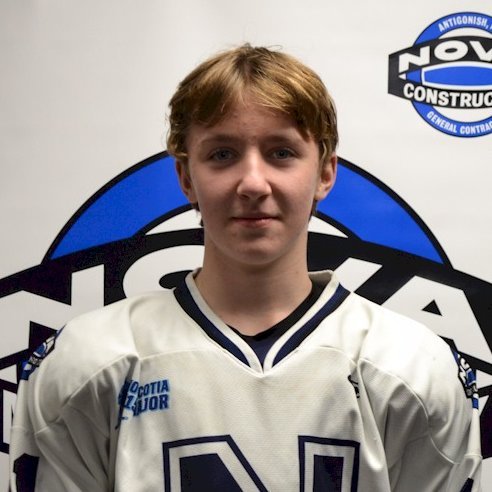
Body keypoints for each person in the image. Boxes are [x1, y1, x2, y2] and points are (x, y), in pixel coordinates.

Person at [9, 44, 481, 491]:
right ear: (186, 176)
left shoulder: (410, 367)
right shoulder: (91, 361)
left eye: (281, 153)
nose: (253, 183)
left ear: (324, 173)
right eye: (222, 154)